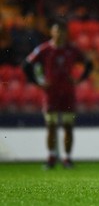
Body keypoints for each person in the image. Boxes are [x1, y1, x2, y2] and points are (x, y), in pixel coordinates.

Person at [22, 19, 93, 169]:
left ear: (66, 33)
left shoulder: (72, 50)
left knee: (68, 126)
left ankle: (67, 158)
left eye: (62, 31)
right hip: (51, 93)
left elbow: (88, 63)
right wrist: (37, 82)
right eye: (56, 30)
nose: (59, 34)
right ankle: (51, 157)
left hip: (67, 93)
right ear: (51, 32)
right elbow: (26, 65)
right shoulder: (44, 49)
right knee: (51, 126)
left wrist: (79, 79)